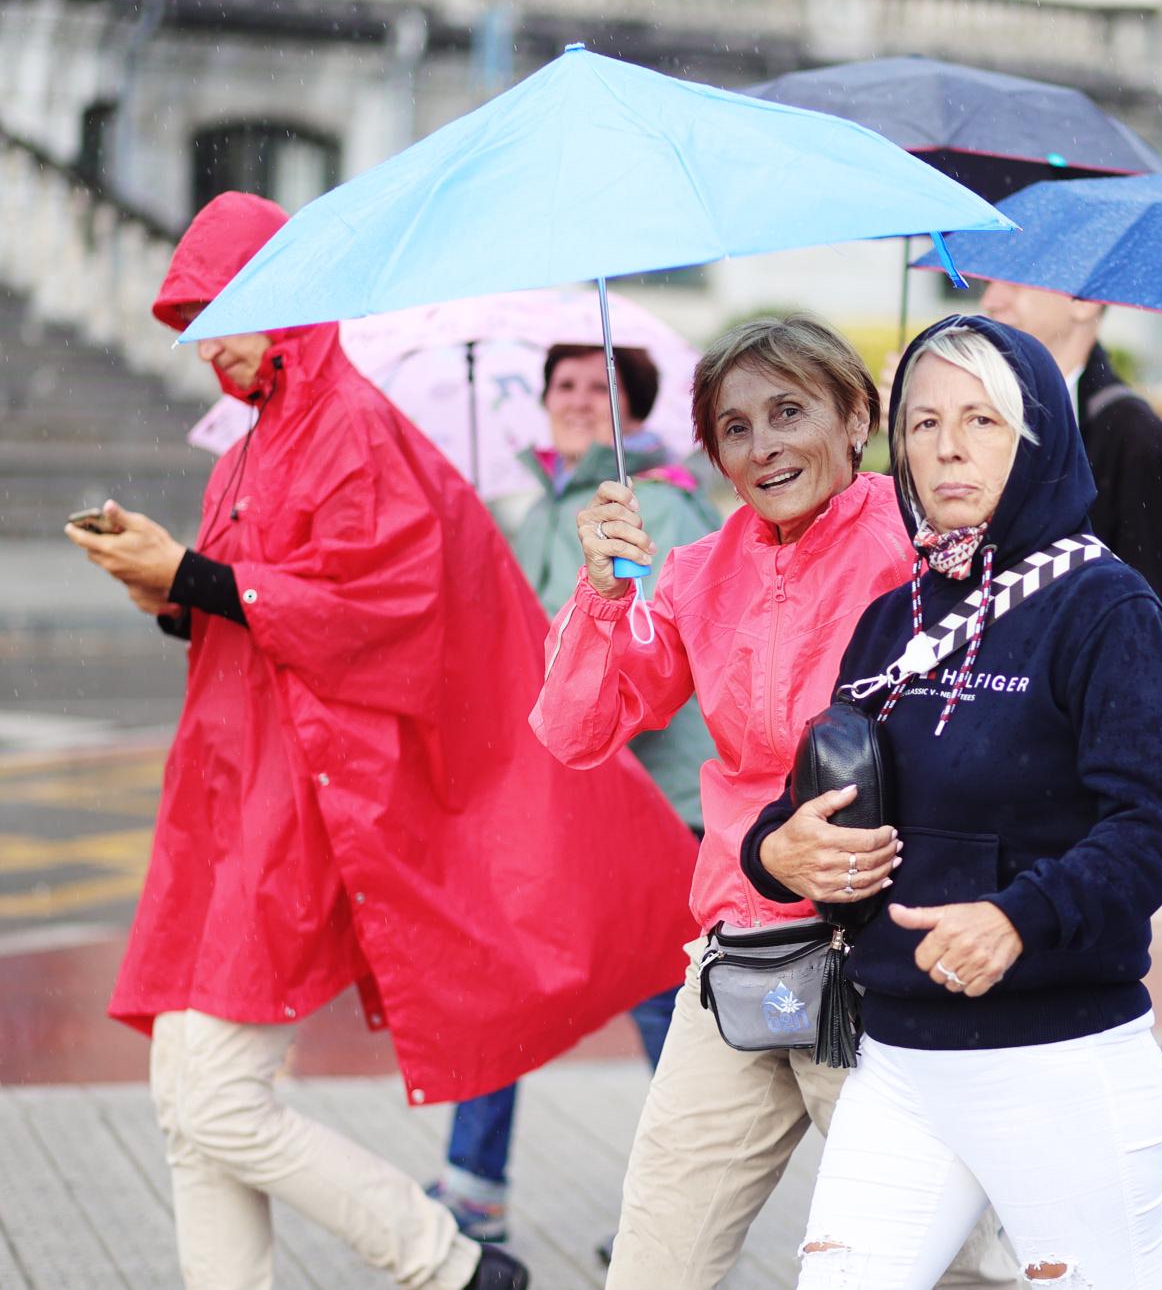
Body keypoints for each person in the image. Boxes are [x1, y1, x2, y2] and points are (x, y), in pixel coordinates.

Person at [65, 191, 699, 1290]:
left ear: (285, 300)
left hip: (298, 804)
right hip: (231, 795)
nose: (209, 345)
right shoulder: (261, 444)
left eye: (226, 314)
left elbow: (383, 611)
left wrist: (194, 578)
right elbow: (251, 604)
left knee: (213, 1094)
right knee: (189, 1100)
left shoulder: (349, 429)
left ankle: (446, 1261)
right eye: (196, 322)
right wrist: (164, 586)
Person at [530, 314, 1012, 1289]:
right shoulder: (696, 571)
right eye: (736, 427)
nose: (765, 446)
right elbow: (575, 729)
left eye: (790, 411)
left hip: (884, 966)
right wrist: (602, 595)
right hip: (743, 963)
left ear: (854, 418)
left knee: (947, 1265)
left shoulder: (925, 550)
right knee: (652, 1263)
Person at [742, 315, 1162, 1289]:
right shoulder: (889, 618)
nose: (946, 448)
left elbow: (1148, 835)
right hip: (896, 1059)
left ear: (1036, 437)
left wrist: (1014, 917)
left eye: (982, 421)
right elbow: (796, 806)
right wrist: (776, 853)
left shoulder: (1103, 609)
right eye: (923, 422)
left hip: (1058, 1064)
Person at [431, 341, 723, 1242]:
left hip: (645, 798)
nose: (579, 400)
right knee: (506, 971)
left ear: (632, 410)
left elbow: (645, 665)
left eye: (601, 387)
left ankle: (676, 1215)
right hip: (558, 793)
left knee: (665, 1007)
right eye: (564, 385)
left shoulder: (658, 505)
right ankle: (474, 1186)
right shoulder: (531, 510)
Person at [978, 279, 1162, 621]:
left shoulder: (1136, 439)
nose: (990, 300)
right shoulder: (974, 415)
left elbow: (1148, 615)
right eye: (989, 283)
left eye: (1014, 283)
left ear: (1084, 302)